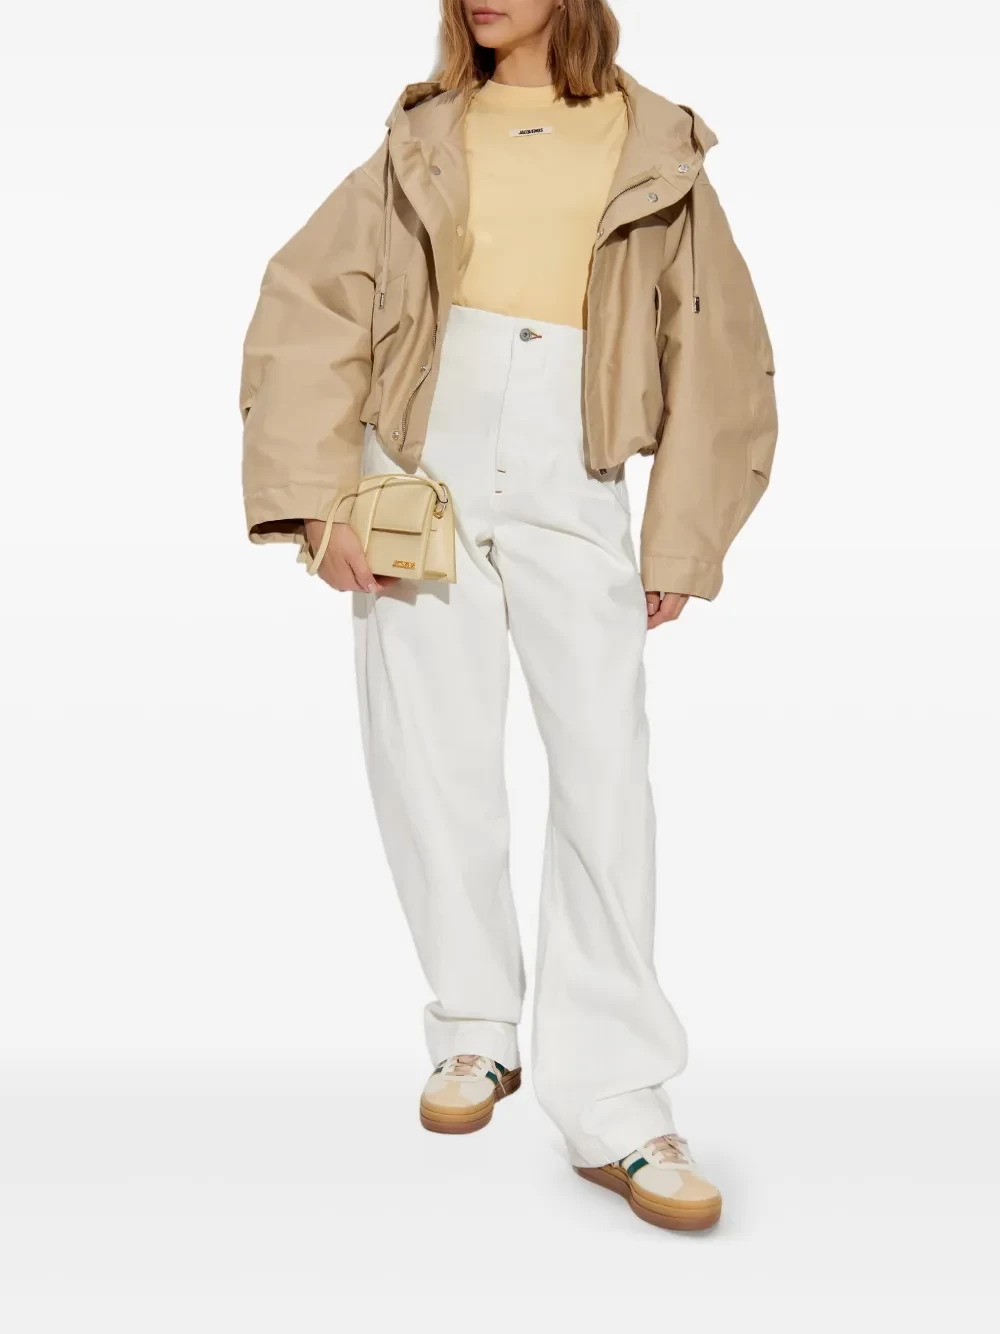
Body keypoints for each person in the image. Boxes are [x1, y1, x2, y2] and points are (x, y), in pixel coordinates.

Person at [239, 0, 777, 1233]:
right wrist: (317, 501)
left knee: (604, 770)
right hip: (414, 454)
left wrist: (684, 533)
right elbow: (312, 303)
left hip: (573, 465)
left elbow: (718, 346)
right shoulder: (421, 136)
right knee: (428, 751)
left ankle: (617, 1096)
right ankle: (475, 1024)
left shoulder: (655, 144)